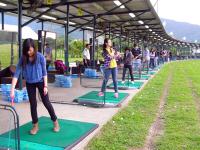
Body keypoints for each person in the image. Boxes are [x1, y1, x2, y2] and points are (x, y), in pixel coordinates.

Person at [10, 38, 60, 135]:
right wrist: (12, 89)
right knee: (33, 104)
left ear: (34, 48)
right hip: (30, 83)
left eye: (31, 50)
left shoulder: (40, 57)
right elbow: (16, 74)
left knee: (46, 102)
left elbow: (45, 73)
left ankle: (56, 123)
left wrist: (46, 86)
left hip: (41, 82)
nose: (29, 52)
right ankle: (35, 126)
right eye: (27, 50)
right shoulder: (23, 58)